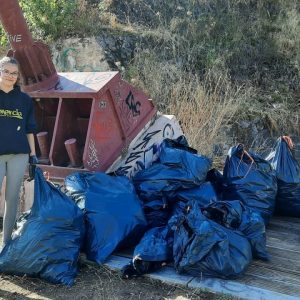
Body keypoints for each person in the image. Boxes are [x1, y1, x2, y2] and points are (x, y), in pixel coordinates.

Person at [0, 56, 38, 249]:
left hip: (19, 154)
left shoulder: (24, 100)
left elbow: (30, 129)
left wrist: (32, 155)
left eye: (14, 73)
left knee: (12, 197)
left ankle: (6, 242)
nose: (9, 76)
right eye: (6, 71)